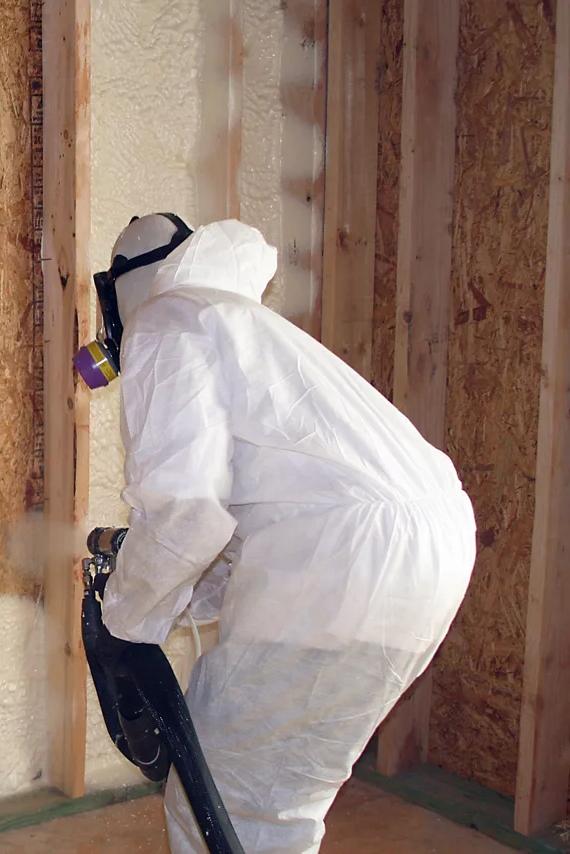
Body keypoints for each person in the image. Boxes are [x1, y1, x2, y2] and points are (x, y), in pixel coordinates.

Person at [92, 214, 476, 853]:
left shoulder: (165, 320)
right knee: (279, 792)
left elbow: (186, 514)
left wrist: (122, 621)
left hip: (343, 553)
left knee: (225, 793)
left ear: (121, 293)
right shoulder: (248, 326)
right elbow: (236, 532)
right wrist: (154, 593)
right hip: (432, 543)